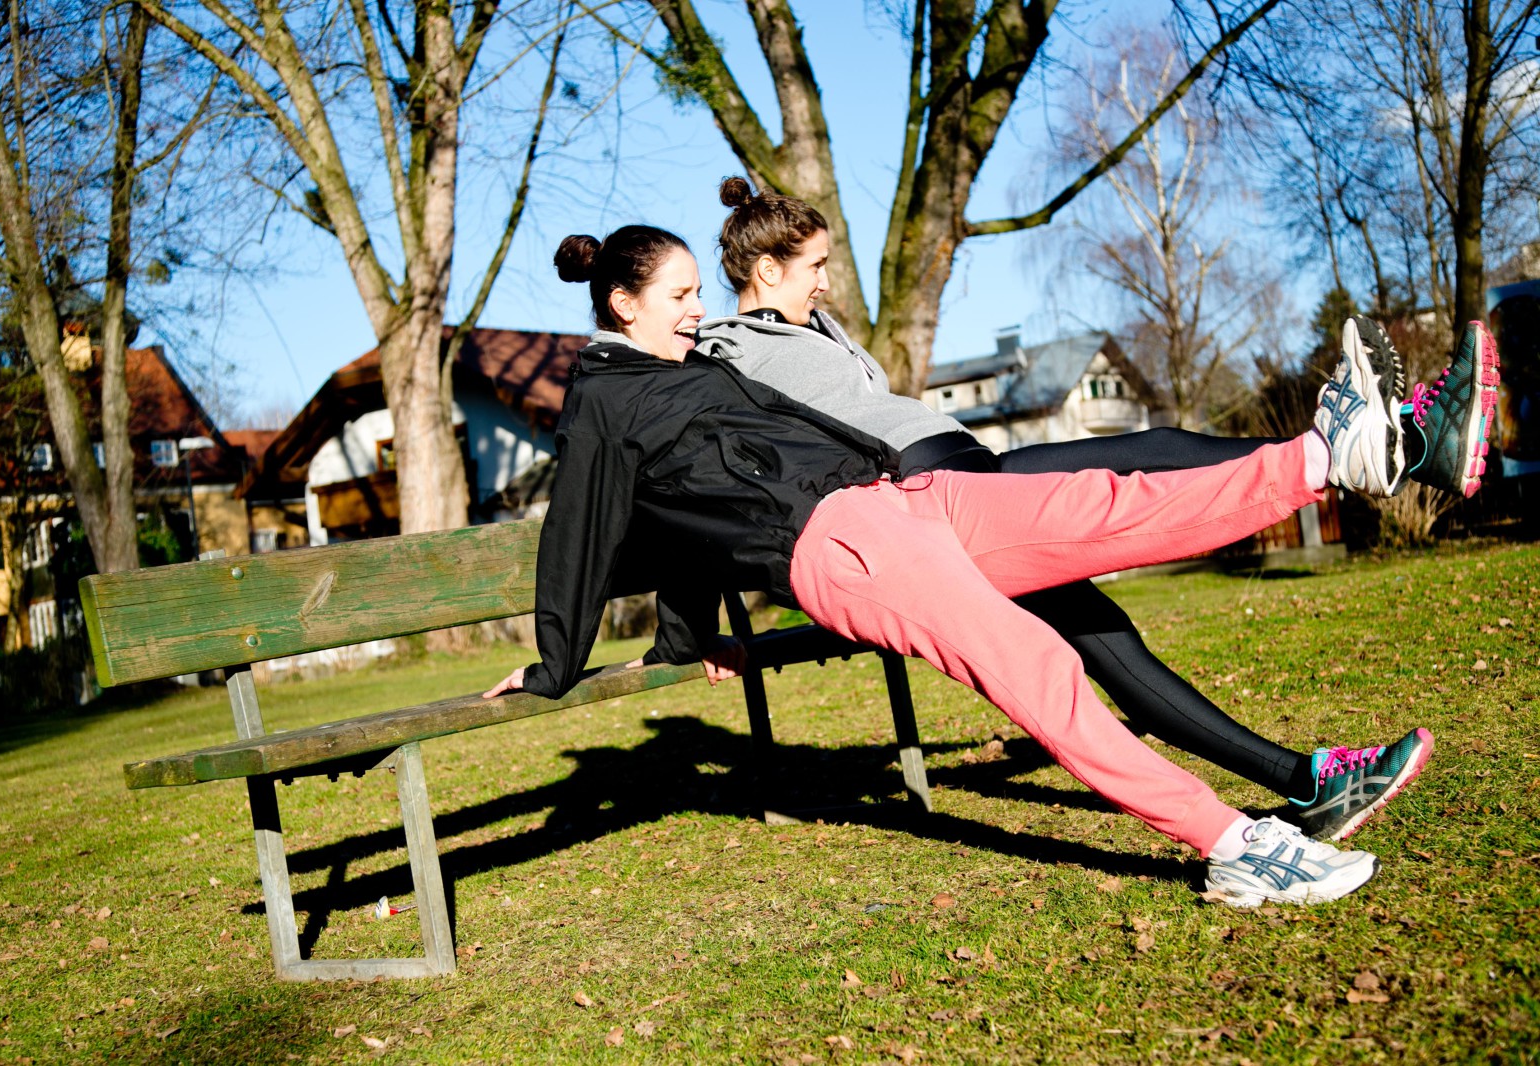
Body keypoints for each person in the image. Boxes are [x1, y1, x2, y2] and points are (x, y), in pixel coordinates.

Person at [485, 223, 1414, 907]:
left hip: (902, 498)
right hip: (843, 550)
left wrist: (694, 635)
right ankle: (1234, 845)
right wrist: (556, 663)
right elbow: (598, 532)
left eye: (696, 292)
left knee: (1103, 504)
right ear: (623, 303)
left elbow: (696, 514)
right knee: (1038, 665)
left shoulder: (689, 368)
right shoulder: (602, 403)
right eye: (682, 296)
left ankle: (1329, 458)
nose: (698, 310)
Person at [688, 177, 1499, 841]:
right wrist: (704, 626)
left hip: (970, 475)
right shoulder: (727, 356)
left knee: (1152, 469)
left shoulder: (819, 328)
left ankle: (1367, 457)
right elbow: (709, 478)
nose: (827, 279)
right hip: (934, 512)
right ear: (765, 271)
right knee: (1115, 647)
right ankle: (1371, 460)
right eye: (814, 265)